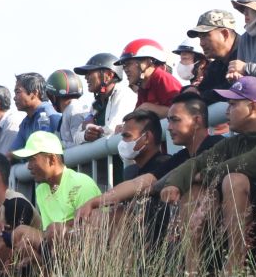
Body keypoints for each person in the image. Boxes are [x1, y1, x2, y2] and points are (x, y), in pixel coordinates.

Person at [160, 77, 256, 277]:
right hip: (233, 219)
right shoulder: (233, 142)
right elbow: (195, 162)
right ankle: (192, 275)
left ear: (253, 107)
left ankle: (235, 262)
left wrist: (204, 175)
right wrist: (174, 184)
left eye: (233, 105)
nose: (226, 111)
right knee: (193, 190)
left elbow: (246, 162)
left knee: (235, 179)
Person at [77, 95, 222, 230]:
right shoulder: (180, 157)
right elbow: (138, 184)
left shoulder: (218, 145)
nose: (169, 127)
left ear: (196, 121)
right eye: (169, 120)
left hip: (217, 228)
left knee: (195, 193)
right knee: (114, 214)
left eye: (175, 120)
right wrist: (94, 202)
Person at [11, 132, 101, 266]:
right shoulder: (41, 190)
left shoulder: (81, 183)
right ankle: (50, 276)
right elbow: (48, 232)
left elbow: (95, 227)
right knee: (19, 236)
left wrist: (63, 228)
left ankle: (52, 273)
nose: (29, 166)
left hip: (88, 248)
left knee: (48, 231)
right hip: (56, 247)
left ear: (52, 159)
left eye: (32, 159)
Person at [73, 53, 137, 141]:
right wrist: (85, 135)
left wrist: (89, 127)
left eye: (90, 73)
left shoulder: (125, 94)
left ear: (109, 75)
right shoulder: (96, 104)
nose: (86, 77)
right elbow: (76, 138)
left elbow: (113, 130)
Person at [186, 9, 242, 104]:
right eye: (200, 37)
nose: (201, 43)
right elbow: (203, 90)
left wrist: (202, 95)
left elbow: (238, 88)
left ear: (225, 34)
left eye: (205, 36)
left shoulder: (248, 53)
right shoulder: (216, 64)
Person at [115, 39, 181, 118]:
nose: (125, 69)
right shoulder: (143, 86)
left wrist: (148, 108)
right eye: (124, 66)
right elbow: (136, 116)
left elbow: (181, 111)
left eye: (128, 64)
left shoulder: (162, 78)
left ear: (148, 62)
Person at [9, 72, 61, 154]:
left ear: (35, 93)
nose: (14, 98)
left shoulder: (47, 114)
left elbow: (42, 150)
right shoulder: (25, 122)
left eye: (18, 92)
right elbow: (13, 152)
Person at [116, 109, 171, 180]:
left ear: (147, 137)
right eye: (123, 137)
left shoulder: (168, 166)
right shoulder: (130, 172)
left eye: (127, 136)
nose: (123, 141)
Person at [44, 69, 93, 147]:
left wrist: (58, 145)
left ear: (53, 96)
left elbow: (80, 144)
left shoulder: (73, 110)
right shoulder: (69, 110)